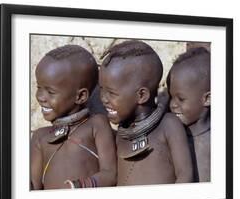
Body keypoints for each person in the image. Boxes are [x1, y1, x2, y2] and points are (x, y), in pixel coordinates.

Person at [99, 40, 193, 186]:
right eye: (101, 89)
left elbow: (185, 176)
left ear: (141, 95)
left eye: (111, 93)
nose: (103, 99)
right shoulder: (122, 133)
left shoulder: (169, 125)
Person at [31, 45, 117, 190]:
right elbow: (34, 185)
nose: (40, 97)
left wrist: (81, 186)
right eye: (39, 87)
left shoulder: (96, 125)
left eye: (50, 92)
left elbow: (110, 174)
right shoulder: (40, 137)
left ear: (80, 96)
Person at [167, 47, 210, 182]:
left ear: (207, 99)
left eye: (180, 99)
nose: (173, 104)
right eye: (171, 97)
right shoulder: (170, 134)